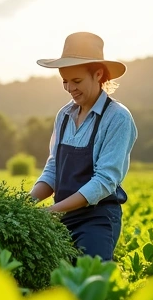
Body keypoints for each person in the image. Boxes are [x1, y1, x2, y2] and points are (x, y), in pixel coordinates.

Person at [30, 32, 137, 261]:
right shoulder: (64, 115)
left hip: (96, 219)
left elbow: (104, 181)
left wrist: (50, 211)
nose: (69, 88)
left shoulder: (117, 118)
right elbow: (53, 168)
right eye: (64, 81)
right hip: (62, 217)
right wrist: (26, 204)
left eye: (76, 81)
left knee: (90, 281)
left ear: (98, 74)